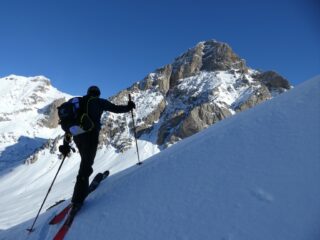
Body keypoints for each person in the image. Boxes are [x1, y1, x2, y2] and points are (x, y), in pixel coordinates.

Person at [60, 85, 135, 213]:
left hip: (78, 138)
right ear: (98, 94)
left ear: (88, 92)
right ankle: (77, 200)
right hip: (91, 137)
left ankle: (81, 190)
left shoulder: (79, 102)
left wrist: (66, 145)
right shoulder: (99, 102)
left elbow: (71, 125)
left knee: (85, 162)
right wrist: (129, 107)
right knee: (86, 167)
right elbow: (116, 109)